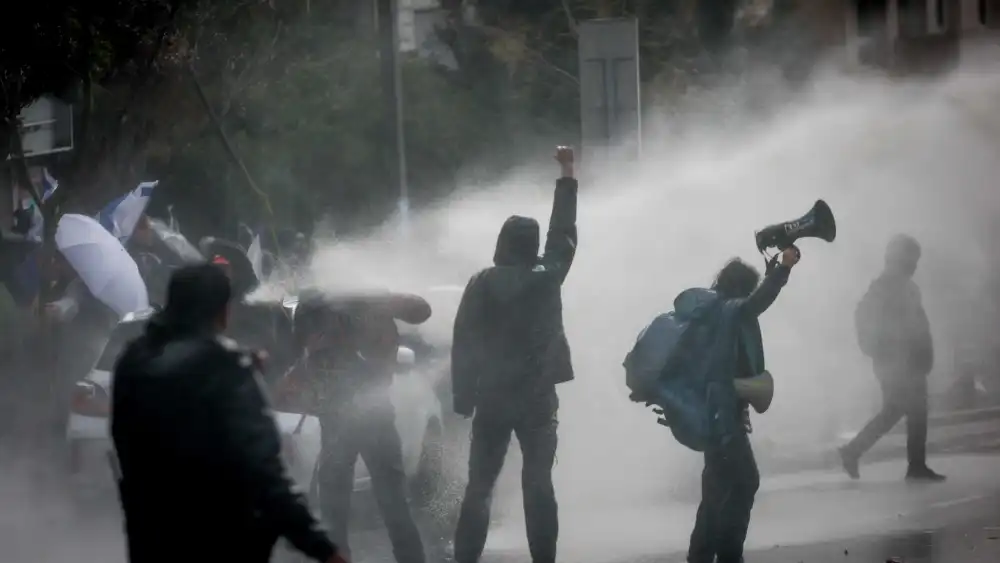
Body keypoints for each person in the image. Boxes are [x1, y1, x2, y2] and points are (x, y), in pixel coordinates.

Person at [110, 263, 344, 563]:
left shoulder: (132, 360)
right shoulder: (225, 368)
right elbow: (265, 473)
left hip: (151, 542)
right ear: (222, 312)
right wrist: (322, 548)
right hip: (220, 544)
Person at [449, 146, 578, 563]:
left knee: (480, 486)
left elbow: (463, 341)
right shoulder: (548, 277)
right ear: (533, 245)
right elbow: (563, 234)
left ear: (503, 243)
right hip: (538, 398)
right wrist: (566, 172)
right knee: (538, 484)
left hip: (492, 398)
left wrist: (462, 397)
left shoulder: (482, 282)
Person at [282, 289, 431, 563]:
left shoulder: (367, 313)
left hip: (362, 422)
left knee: (366, 507)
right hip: (352, 423)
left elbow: (421, 311)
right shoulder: (324, 318)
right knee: (352, 508)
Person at [680, 249, 799, 563]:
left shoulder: (712, 313)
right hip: (722, 415)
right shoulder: (732, 310)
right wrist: (783, 270)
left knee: (716, 491)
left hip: (712, 414)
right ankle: (729, 555)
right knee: (746, 481)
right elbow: (756, 303)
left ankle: (702, 556)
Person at [840, 234, 944, 481]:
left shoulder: (908, 287)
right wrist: (880, 349)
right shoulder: (884, 286)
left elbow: (920, 323)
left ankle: (854, 451)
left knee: (898, 410)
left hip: (909, 360)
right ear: (898, 258)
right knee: (908, 409)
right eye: (911, 258)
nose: (914, 264)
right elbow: (866, 319)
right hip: (895, 361)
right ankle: (912, 465)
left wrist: (925, 351)